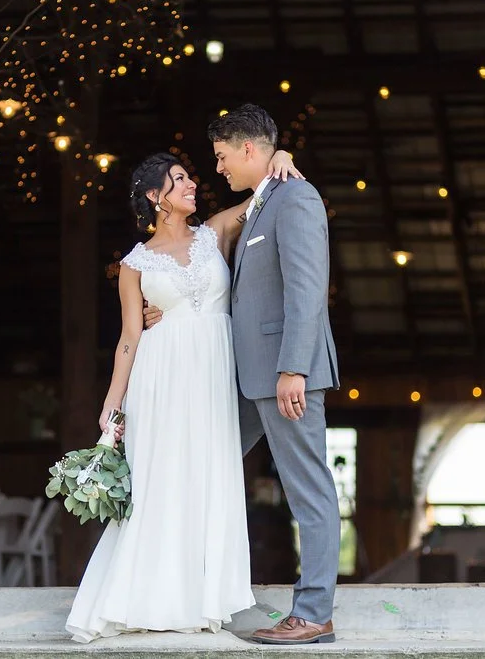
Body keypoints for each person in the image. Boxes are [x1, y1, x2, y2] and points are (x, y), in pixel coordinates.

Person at [65, 148, 301, 643]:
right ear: (155, 197)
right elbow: (130, 336)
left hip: (212, 378)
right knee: (160, 482)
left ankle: (201, 599)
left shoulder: (213, 233)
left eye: (190, 177)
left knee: (208, 477)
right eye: (178, 180)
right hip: (160, 379)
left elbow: (261, 195)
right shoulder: (134, 264)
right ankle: (146, 598)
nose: (192, 184)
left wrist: (279, 153)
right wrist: (113, 404)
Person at [143, 104, 340, 645]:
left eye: (223, 156)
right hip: (247, 380)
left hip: (284, 377)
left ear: (248, 150)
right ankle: (190, 588)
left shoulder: (295, 197)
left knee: (308, 489)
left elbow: (306, 287)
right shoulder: (260, 202)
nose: (219, 168)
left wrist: (295, 368)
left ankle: (314, 612)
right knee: (204, 470)